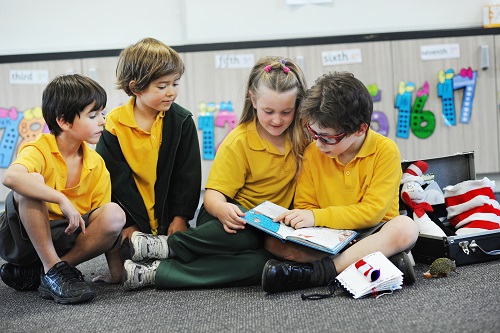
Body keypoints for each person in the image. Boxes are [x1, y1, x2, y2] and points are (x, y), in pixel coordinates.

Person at [121, 56, 310, 290]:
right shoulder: (239, 141)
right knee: (248, 230)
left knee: (264, 264)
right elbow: (212, 199)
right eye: (269, 111)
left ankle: (154, 272)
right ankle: (168, 246)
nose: (277, 119)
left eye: (286, 112)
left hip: (270, 230)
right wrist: (223, 209)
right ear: (253, 100)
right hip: (225, 220)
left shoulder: (304, 140)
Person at [260, 71, 420, 297]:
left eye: (327, 137)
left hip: (372, 233)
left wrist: (317, 217)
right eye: (313, 133)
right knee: (273, 242)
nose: (318, 144)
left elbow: (373, 213)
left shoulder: (385, 150)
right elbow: (306, 206)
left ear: (360, 129)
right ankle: (375, 264)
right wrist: (305, 220)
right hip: (330, 237)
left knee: (406, 228)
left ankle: (321, 273)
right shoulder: (312, 153)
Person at [0, 74, 126, 304]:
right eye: (93, 115)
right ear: (64, 122)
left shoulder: (96, 164)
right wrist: (59, 198)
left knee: (114, 213)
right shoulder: (39, 148)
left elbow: (105, 222)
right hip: (23, 238)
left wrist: (116, 272)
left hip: (66, 238)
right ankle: (50, 268)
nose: (102, 121)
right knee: (32, 181)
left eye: (103, 113)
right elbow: (11, 177)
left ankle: (51, 273)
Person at [95, 38, 202, 249]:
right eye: (162, 86)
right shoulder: (113, 126)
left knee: (182, 254)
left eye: (175, 83)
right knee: (126, 263)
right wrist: (130, 222)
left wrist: (181, 217)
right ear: (136, 88)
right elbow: (114, 183)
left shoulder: (182, 122)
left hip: (170, 219)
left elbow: (187, 176)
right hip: (132, 219)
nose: (171, 92)